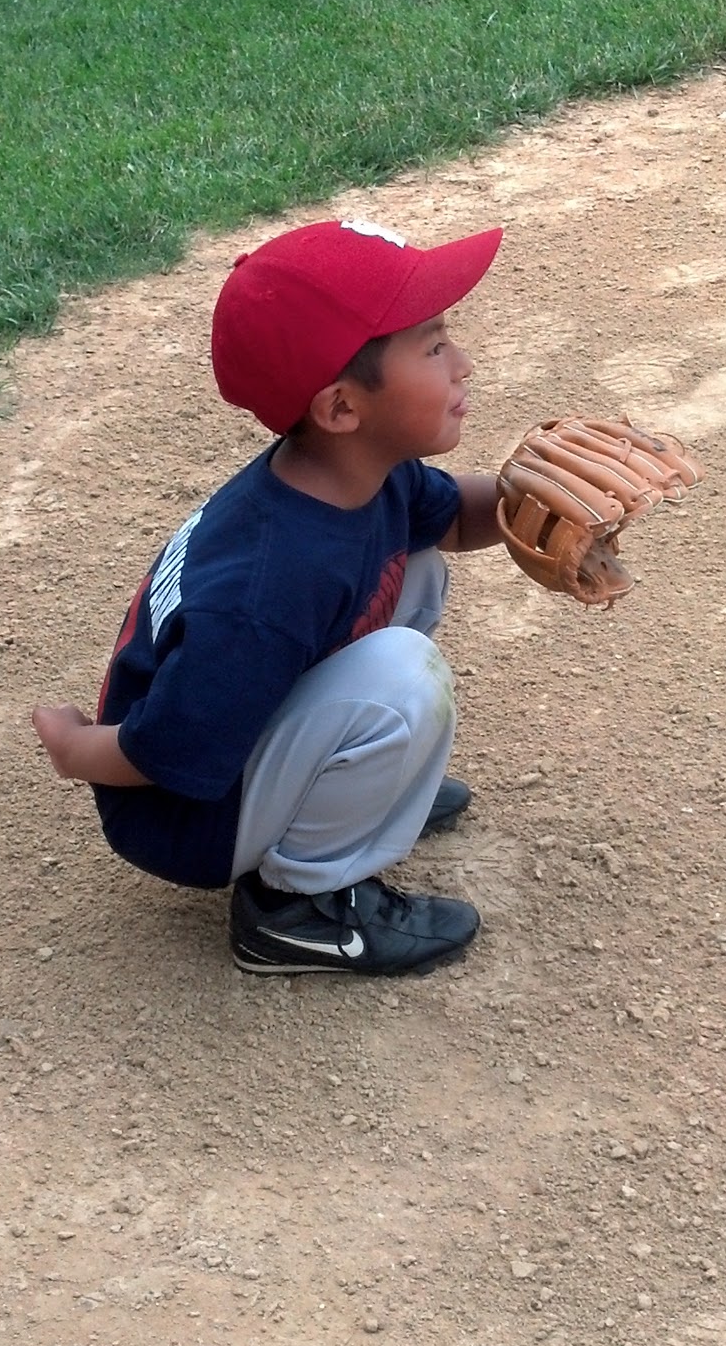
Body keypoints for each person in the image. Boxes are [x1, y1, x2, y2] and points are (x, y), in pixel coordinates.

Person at [32, 216, 508, 977]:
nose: (465, 363)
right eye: (434, 346)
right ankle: (294, 911)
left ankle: (353, 786)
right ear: (342, 408)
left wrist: (534, 504)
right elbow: (162, 751)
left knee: (417, 570)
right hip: (190, 814)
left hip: (228, 737)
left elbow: (451, 517)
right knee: (402, 679)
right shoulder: (271, 586)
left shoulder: (351, 471)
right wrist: (70, 748)